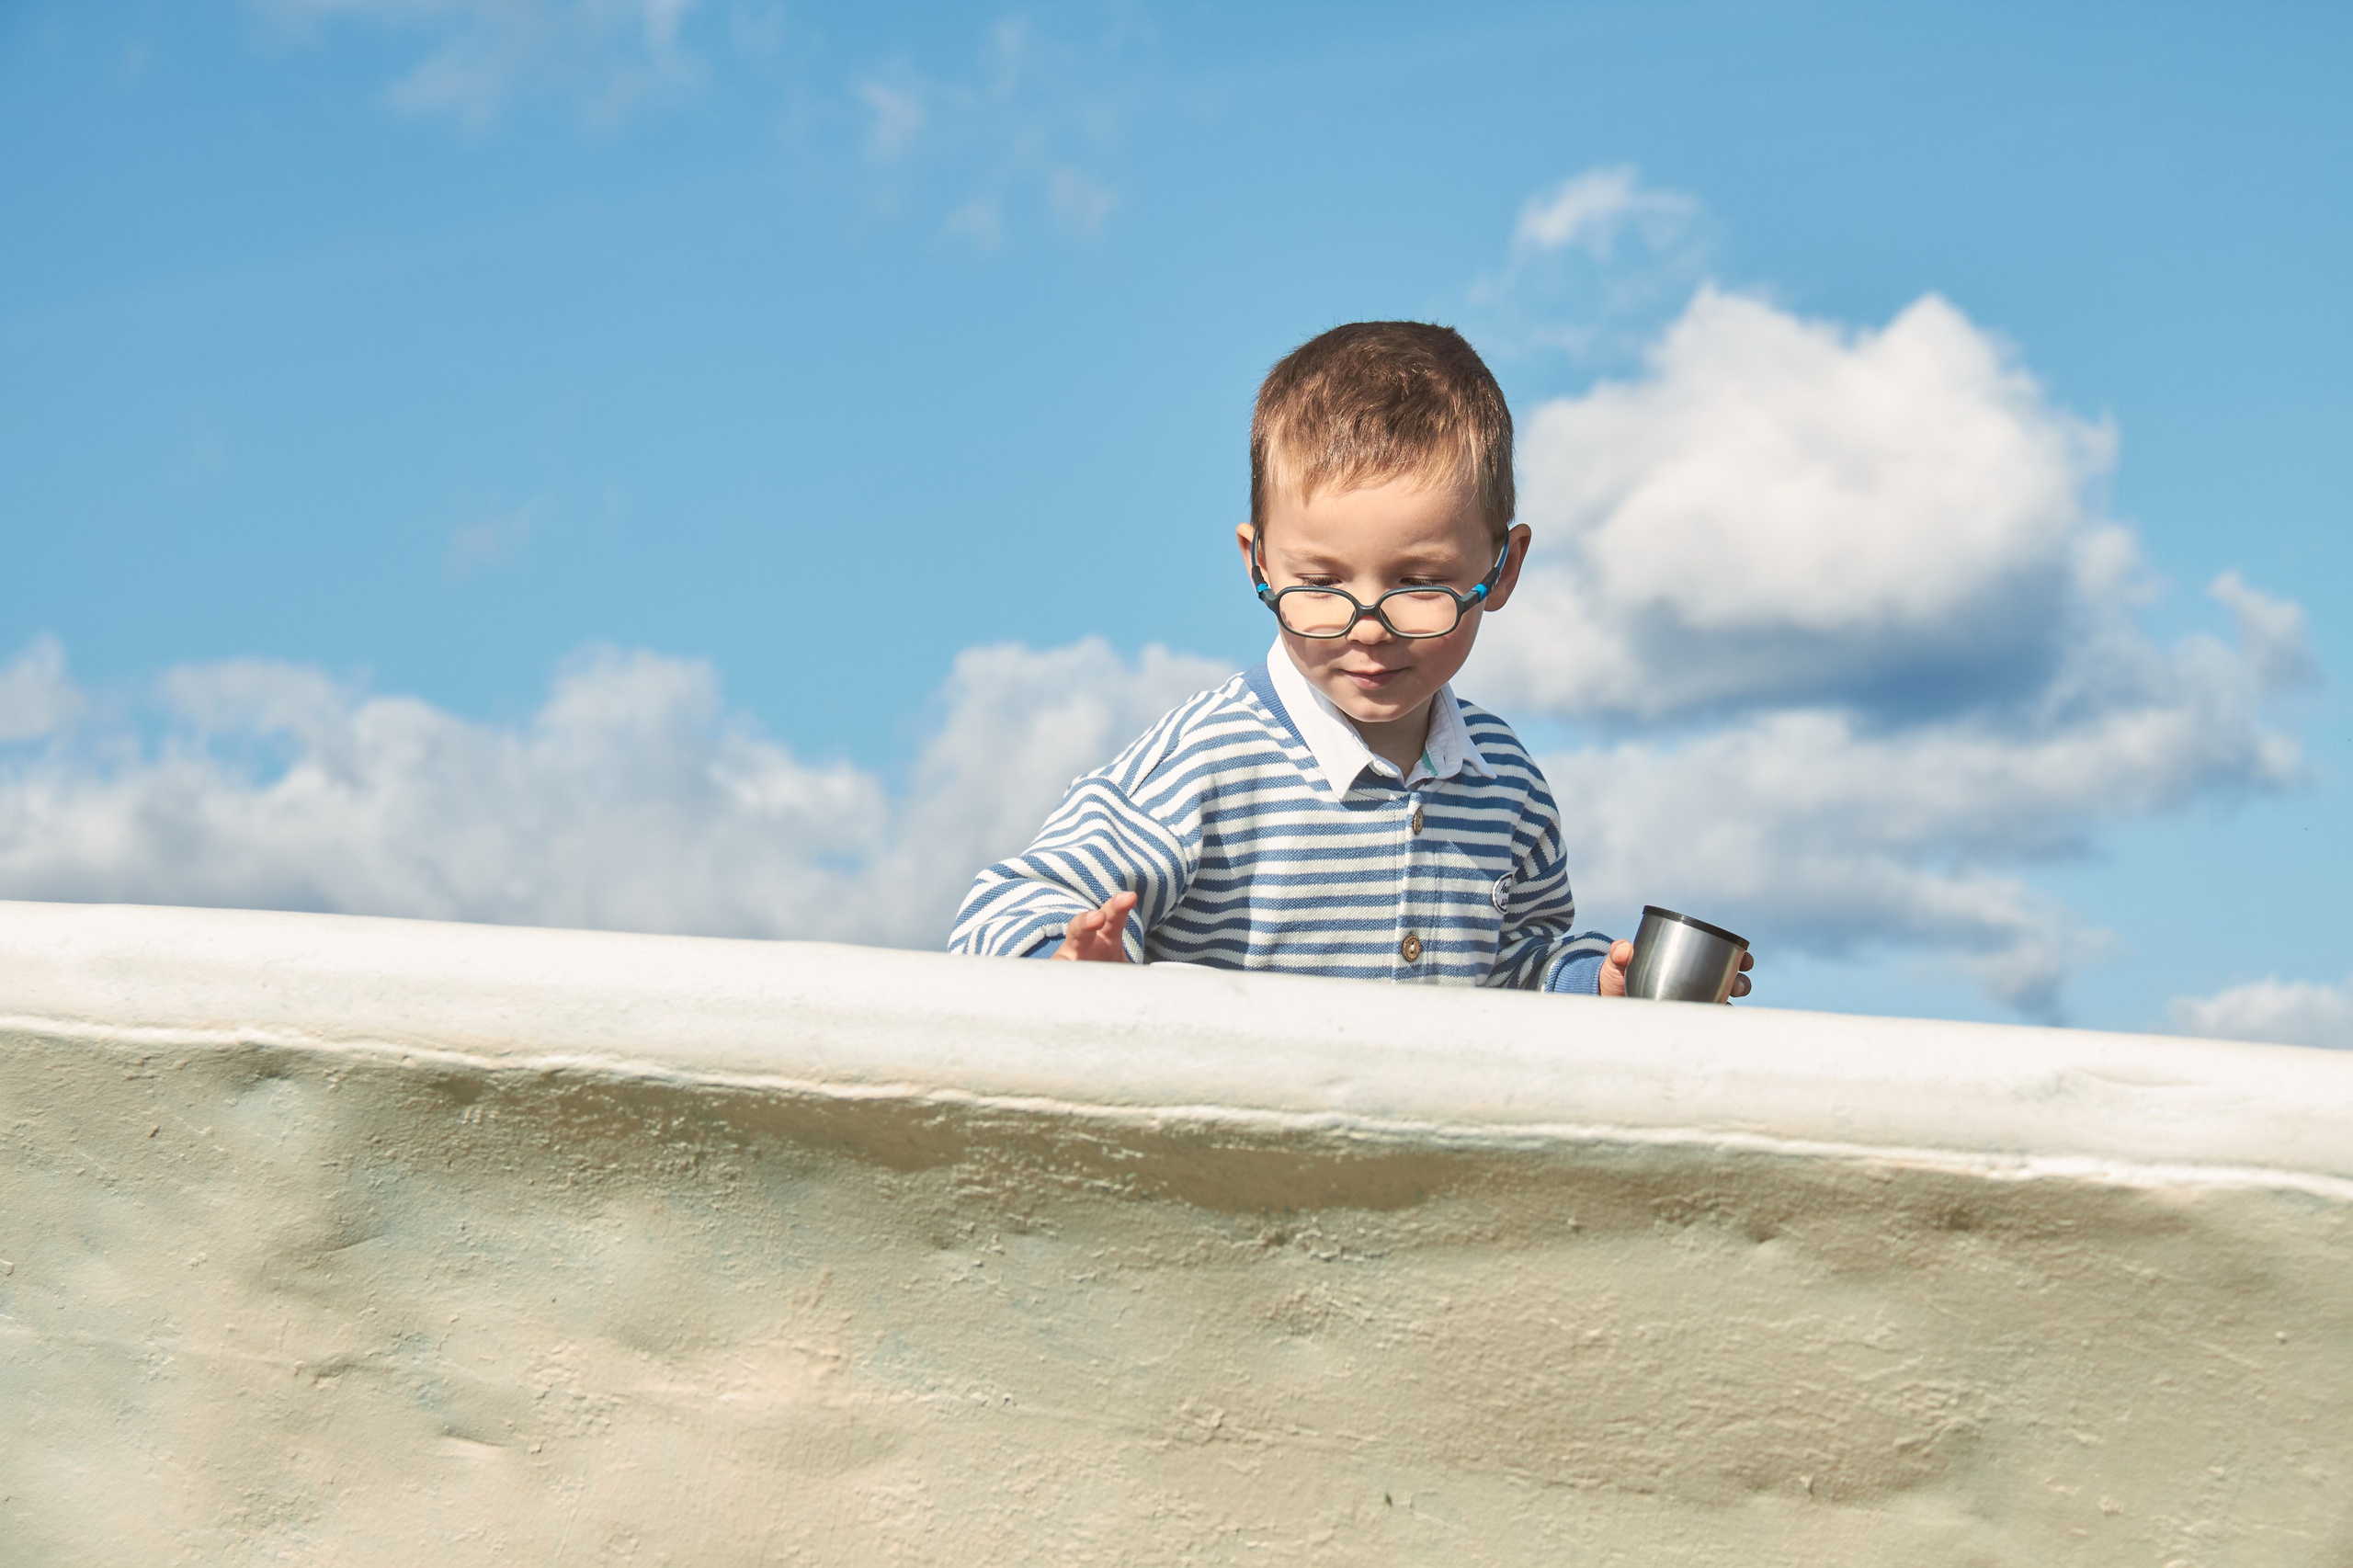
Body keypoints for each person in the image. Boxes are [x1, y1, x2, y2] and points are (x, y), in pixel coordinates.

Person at [949, 320, 1753, 1001]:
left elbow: (1520, 963)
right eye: (1322, 583)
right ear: (1259, 562)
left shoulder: (1507, 782)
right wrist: (1074, 963)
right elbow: (1009, 902)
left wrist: (1598, 982)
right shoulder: (1211, 761)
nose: (1367, 628)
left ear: (1502, 569)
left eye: (1418, 583)